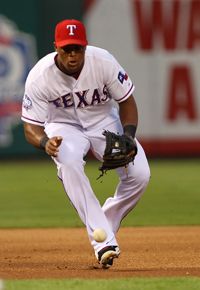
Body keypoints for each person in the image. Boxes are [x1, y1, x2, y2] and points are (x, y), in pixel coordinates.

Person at [21, 19, 150, 269]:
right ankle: (103, 242)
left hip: (103, 121)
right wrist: (45, 142)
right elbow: (30, 127)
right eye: (66, 49)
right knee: (68, 161)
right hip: (62, 127)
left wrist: (129, 135)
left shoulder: (103, 62)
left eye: (77, 49)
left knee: (140, 175)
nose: (72, 55)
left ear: (85, 47)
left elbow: (127, 101)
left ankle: (103, 226)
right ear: (56, 48)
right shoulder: (39, 76)